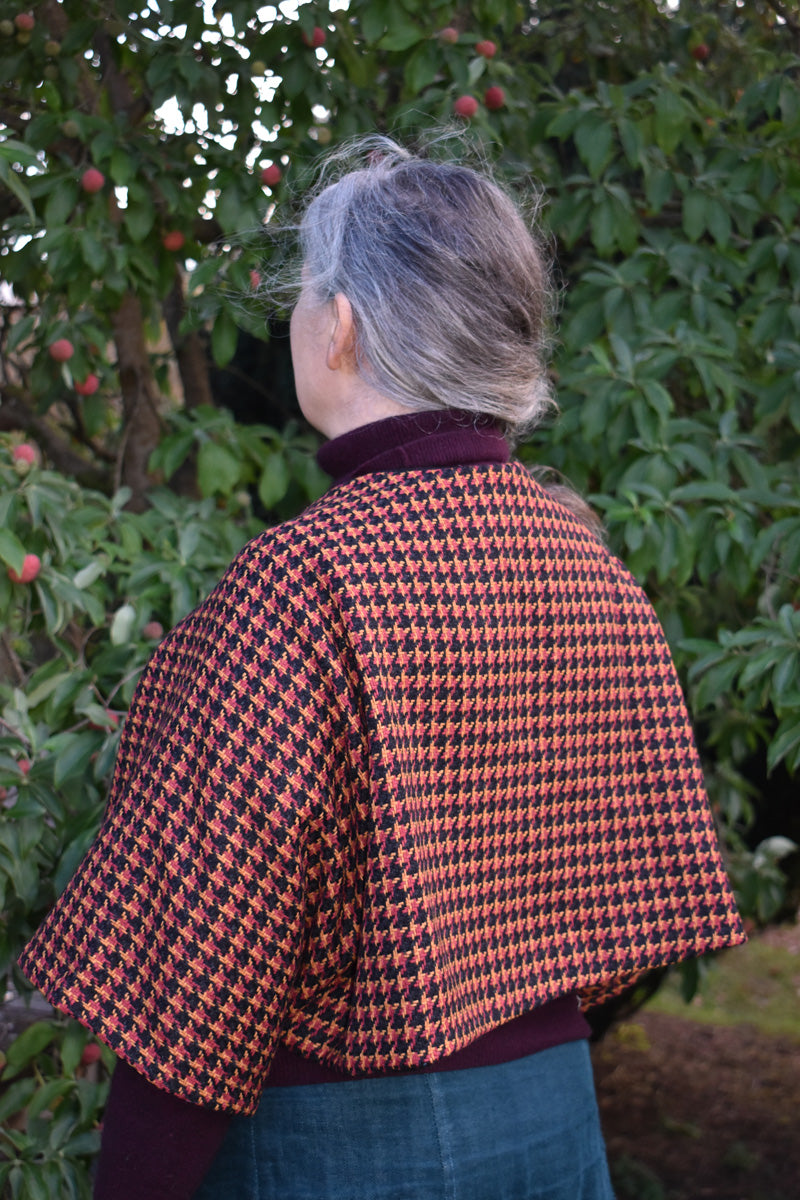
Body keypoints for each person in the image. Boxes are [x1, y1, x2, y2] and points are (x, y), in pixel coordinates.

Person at [19, 137, 745, 1200]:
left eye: (306, 292)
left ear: (341, 326)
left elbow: (198, 973)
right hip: (551, 1124)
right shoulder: (582, 562)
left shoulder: (303, 585)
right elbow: (611, 901)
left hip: (340, 1146)